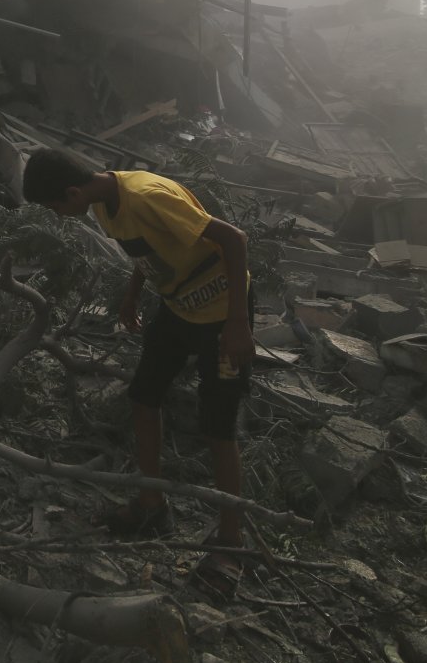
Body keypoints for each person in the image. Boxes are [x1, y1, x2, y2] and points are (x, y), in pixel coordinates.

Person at [22, 149, 254, 595]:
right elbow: (145, 252)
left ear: (73, 191)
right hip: (178, 309)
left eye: (57, 207)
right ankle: (152, 503)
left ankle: (232, 539)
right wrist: (131, 296)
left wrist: (239, 324)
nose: (62, 216)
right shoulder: (104, 203)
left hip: (223, 315)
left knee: (219, 426)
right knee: (143, 396)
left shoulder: (145, 195)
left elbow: (235, 240)